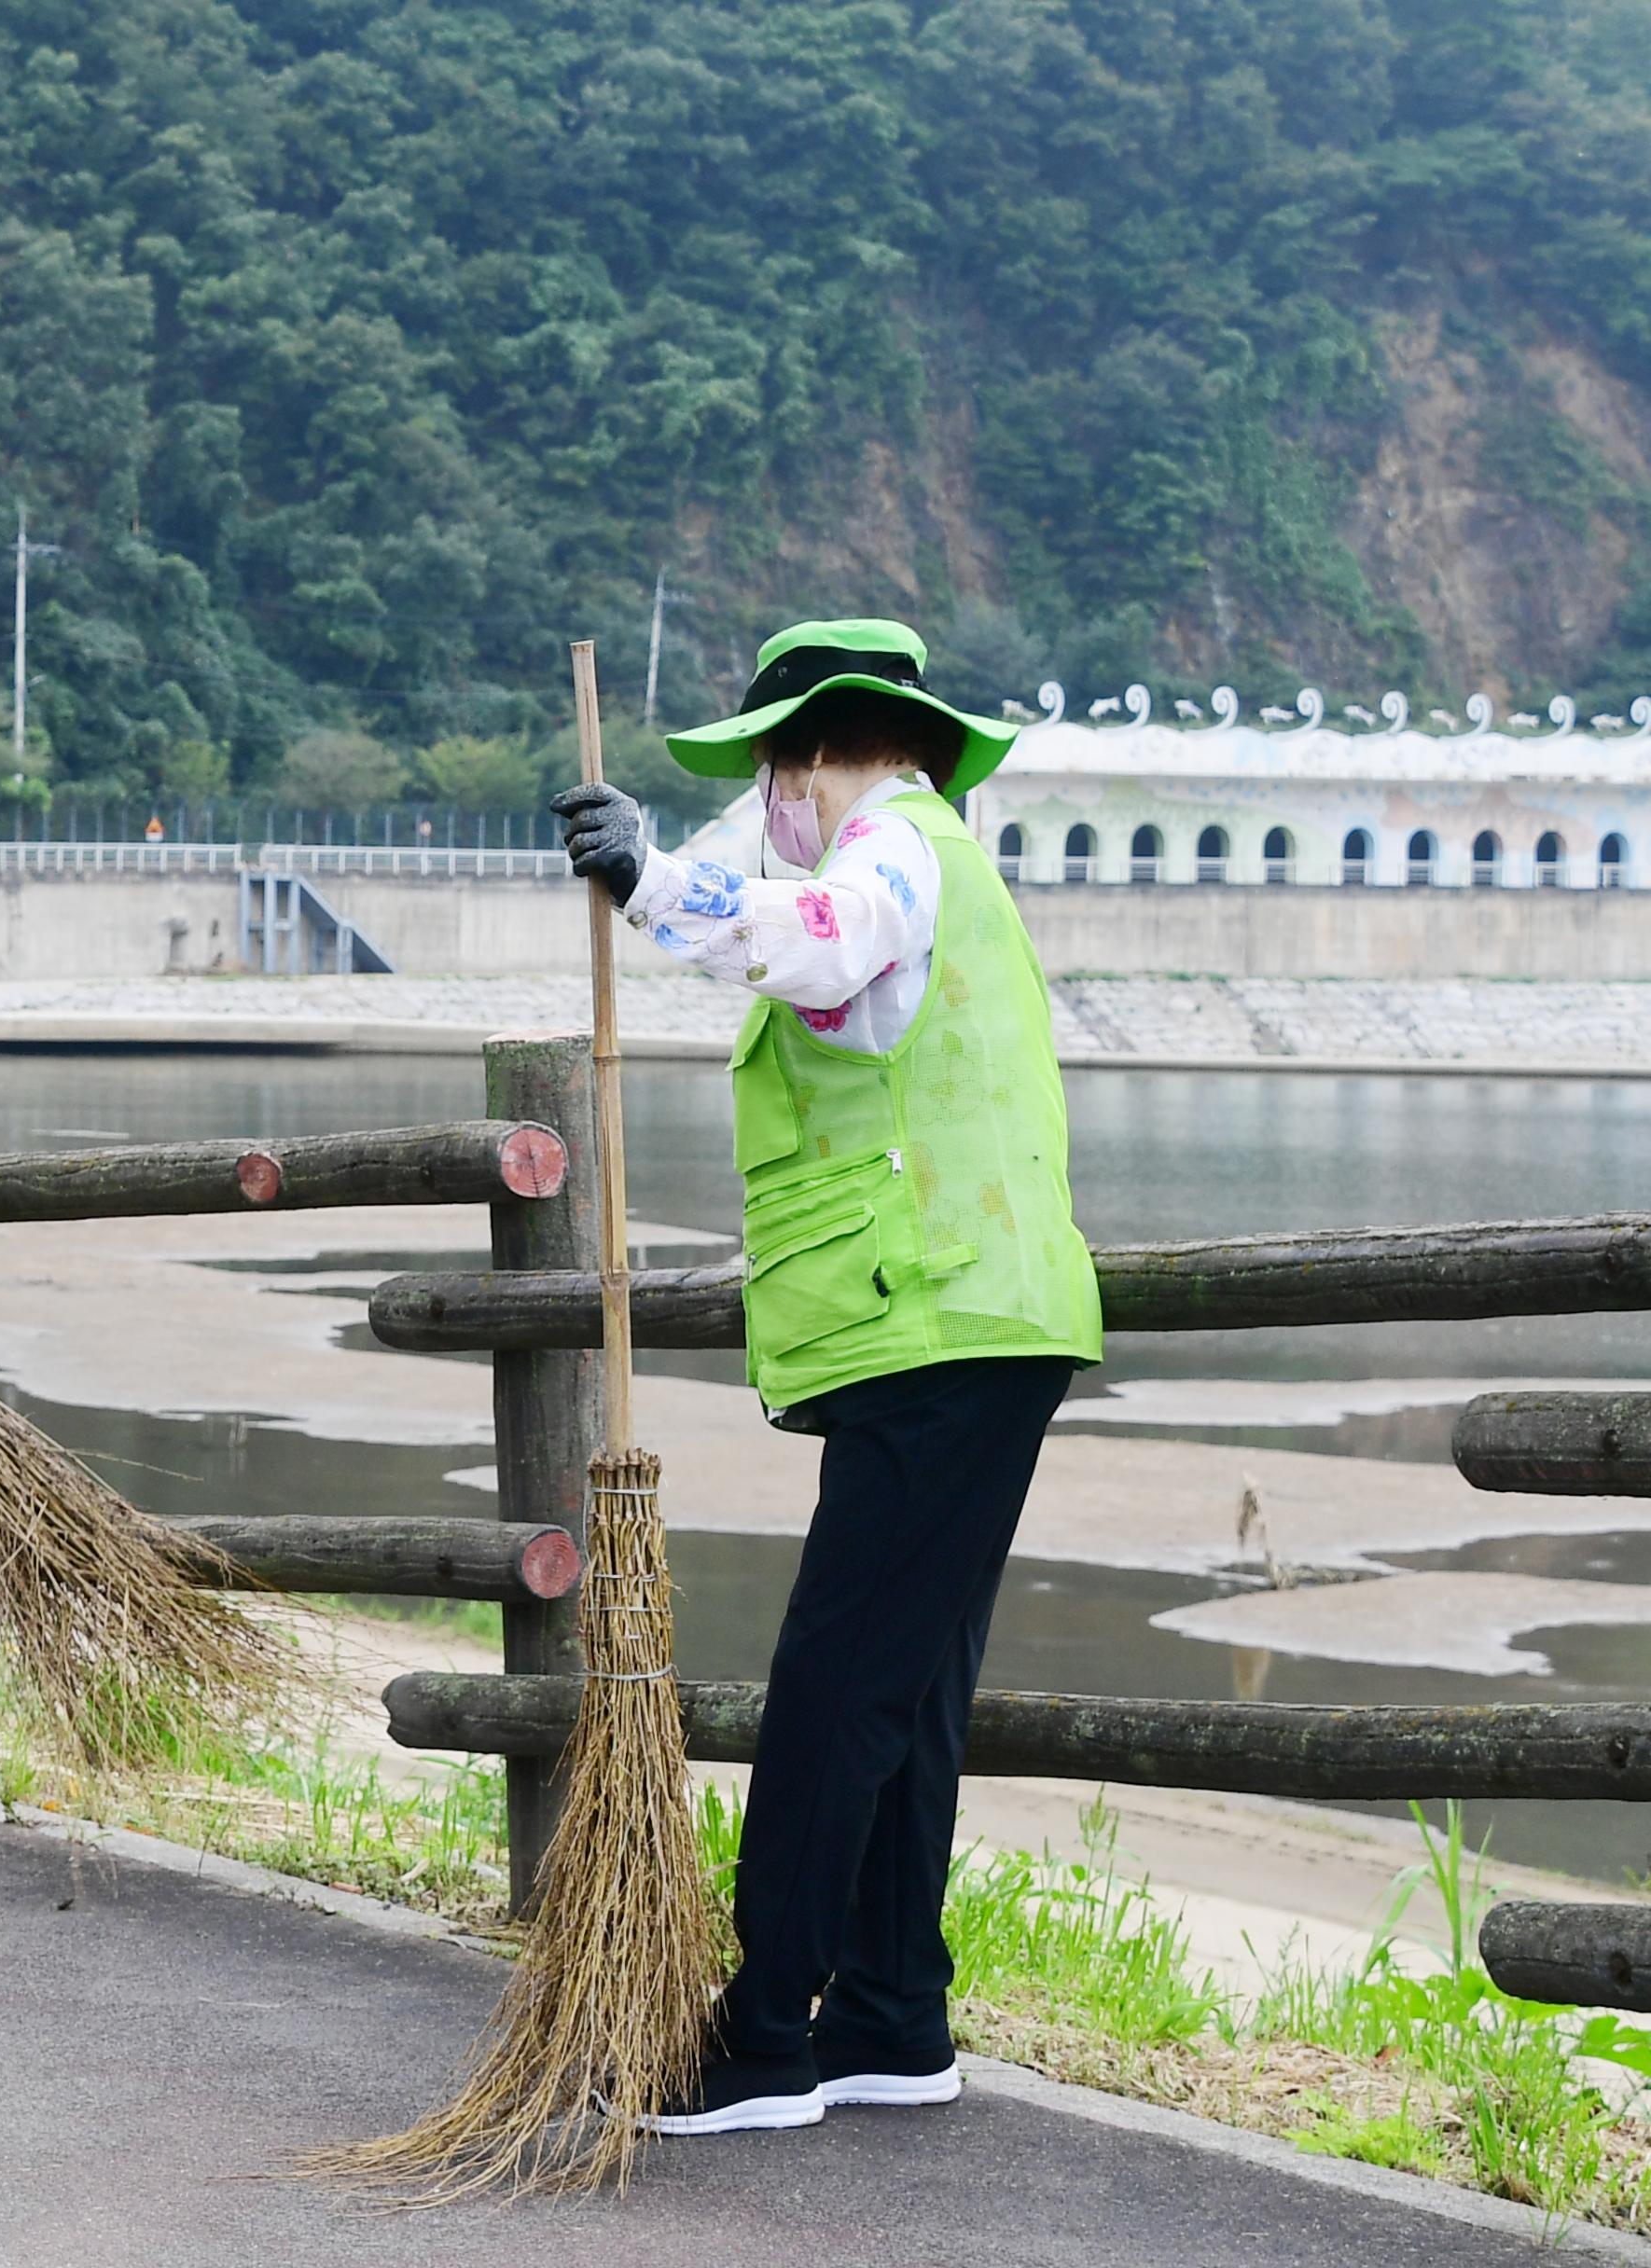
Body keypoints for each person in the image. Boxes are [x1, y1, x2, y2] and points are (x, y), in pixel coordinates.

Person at [551, 617, 1103, 2135]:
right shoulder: (898, 842)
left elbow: (812, 929)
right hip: (957, 1322)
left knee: (831, 1686)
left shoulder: (895, 850)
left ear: (804, 757)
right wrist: (654, 873)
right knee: (905, 1690)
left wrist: (652, 879)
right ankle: (886, 2015)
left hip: (941, 1322)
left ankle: (756, 2036)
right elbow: (776, 905)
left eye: (766, 773)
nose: (762, 803)